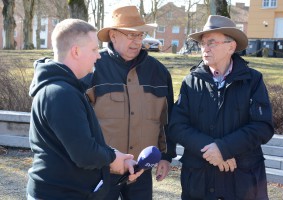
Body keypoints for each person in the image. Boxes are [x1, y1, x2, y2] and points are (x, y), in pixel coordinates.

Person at [27, 18, 139, 200]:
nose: (99, 55)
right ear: (76, 51)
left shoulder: (66, 89)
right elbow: (84, 154)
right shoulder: (61, 93)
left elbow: (81, 141)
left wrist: (117, 157)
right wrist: (112, 158)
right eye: (94, 49)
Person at [169, 15, 274, 200]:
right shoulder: (190, 82)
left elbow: (262, 127)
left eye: (211, 43)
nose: (205, 48)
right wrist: (212, 151)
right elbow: (177, 126)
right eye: (203, 43)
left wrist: (225, 148)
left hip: (242, 183)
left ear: (231, 47)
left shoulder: (253, 80)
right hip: (200, 182)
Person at [84, 5, 176, 200]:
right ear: (113, 35)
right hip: (100, 169)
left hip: (141, 170)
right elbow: (79, 120)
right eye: (130, 35)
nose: (137, 41)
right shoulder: (92, 67)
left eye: (140, 35)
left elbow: (167, 119)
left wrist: (167, 157)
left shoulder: (159, 72)